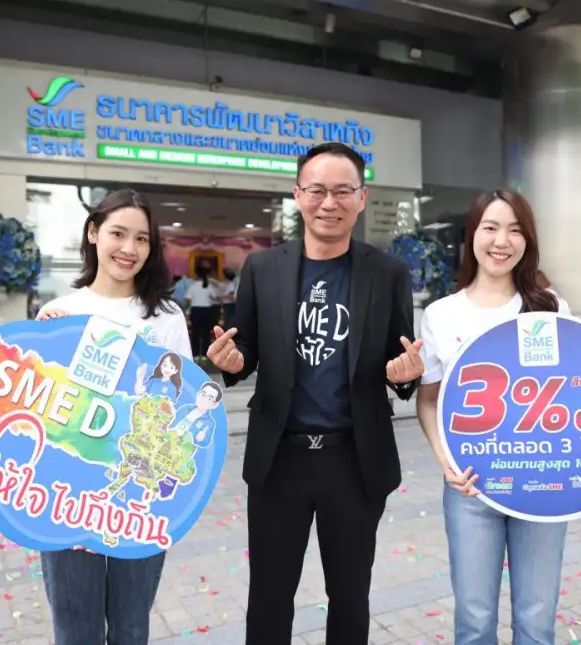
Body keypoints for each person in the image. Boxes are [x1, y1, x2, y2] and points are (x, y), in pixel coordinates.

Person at [206, 142, 424, 645]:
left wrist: (405, 375)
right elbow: (245, 350)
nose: (330, 202)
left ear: (362, 197)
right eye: (318, 190)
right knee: (269, 596)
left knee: (350, 596)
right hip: (279, 460)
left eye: (343, 191)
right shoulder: (263, 268)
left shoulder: (387, 272)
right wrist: (232, 363)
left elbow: (401, 361)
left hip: (354, 460)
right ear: (298, 194)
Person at [413, 189, 581, 645]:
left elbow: (577, 398)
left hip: (543, 486)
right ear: (472, 235)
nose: (501, 241)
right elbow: (429, 401)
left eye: (515, 230)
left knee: (536, 622)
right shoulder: (440, 314)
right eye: (490, 227)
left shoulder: (549, 308)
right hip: (471, 488)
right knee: (474, 623)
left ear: (528, 240)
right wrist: (447, 463)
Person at [33, 188, 191, 645]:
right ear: (93, 233)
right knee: (75, 632)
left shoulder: (166, 318)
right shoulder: (59, 313)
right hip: (66, 499)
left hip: (139, 495)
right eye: (118, 234)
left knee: (130, 628)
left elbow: (180, 407)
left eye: (142, 239)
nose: (129, 248)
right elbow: (39, 417)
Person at [184, 263, 218, 358]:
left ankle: (195, 354)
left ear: (196, 275)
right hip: (207, 310)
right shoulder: (208, 285)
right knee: (206, 333)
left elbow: (188, 301)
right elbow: (214, 298)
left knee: (195, 333)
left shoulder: (193, 286)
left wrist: (185, 308)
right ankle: (204, 354)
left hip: (196, 311)